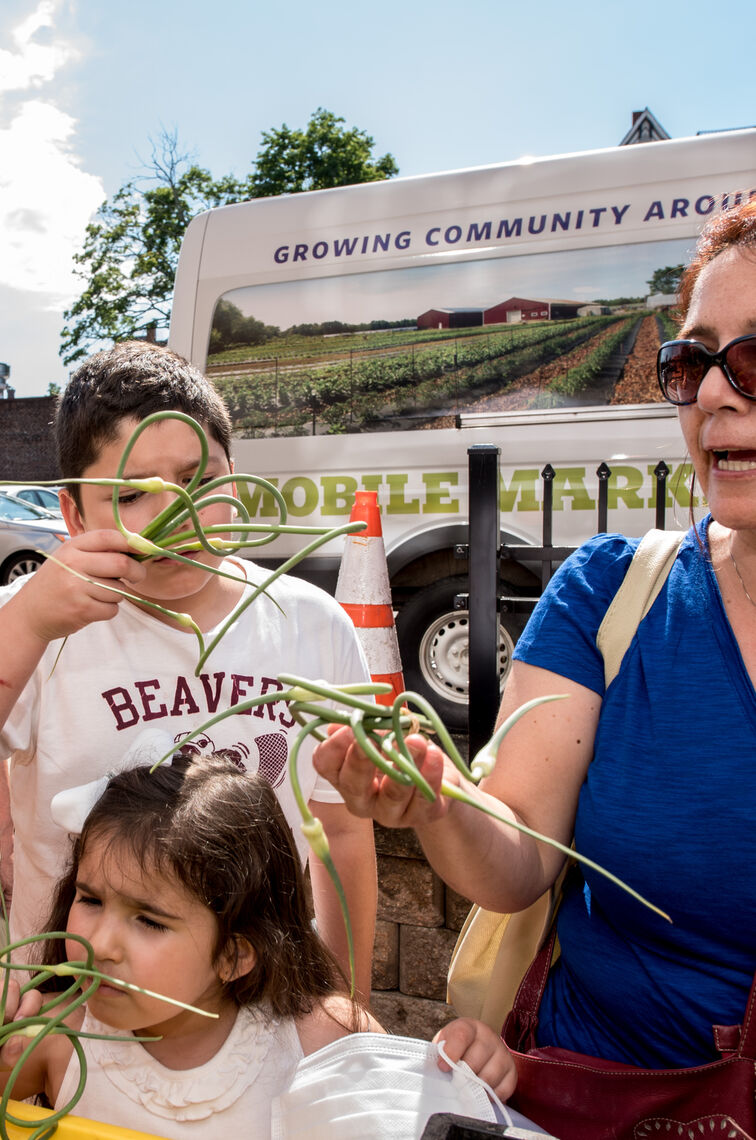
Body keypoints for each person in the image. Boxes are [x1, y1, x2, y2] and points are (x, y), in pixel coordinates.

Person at [312, 202, 756, 1078]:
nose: (710, 392)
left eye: (753, 358)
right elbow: (516, 859)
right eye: (691, 360)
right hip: (594, 1098)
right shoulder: (610, 594)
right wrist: (436, 803)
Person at [0, 341, 377, 989]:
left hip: (263, 1015)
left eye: (200, 480)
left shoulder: (312, 622)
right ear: (74, 514)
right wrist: (25, 625)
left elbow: (340, 829)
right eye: (133, 493)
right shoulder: (33, 621)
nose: (174, 515)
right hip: (75, 1029)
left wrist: (349, 1008)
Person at [0, 754, 518, 1137]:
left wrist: (475, 1066)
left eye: (150, 922)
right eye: (91, 898)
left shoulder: (319, 1036)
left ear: (236, 953)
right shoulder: (59, 1034)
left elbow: (415, 1110)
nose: (100, 942)